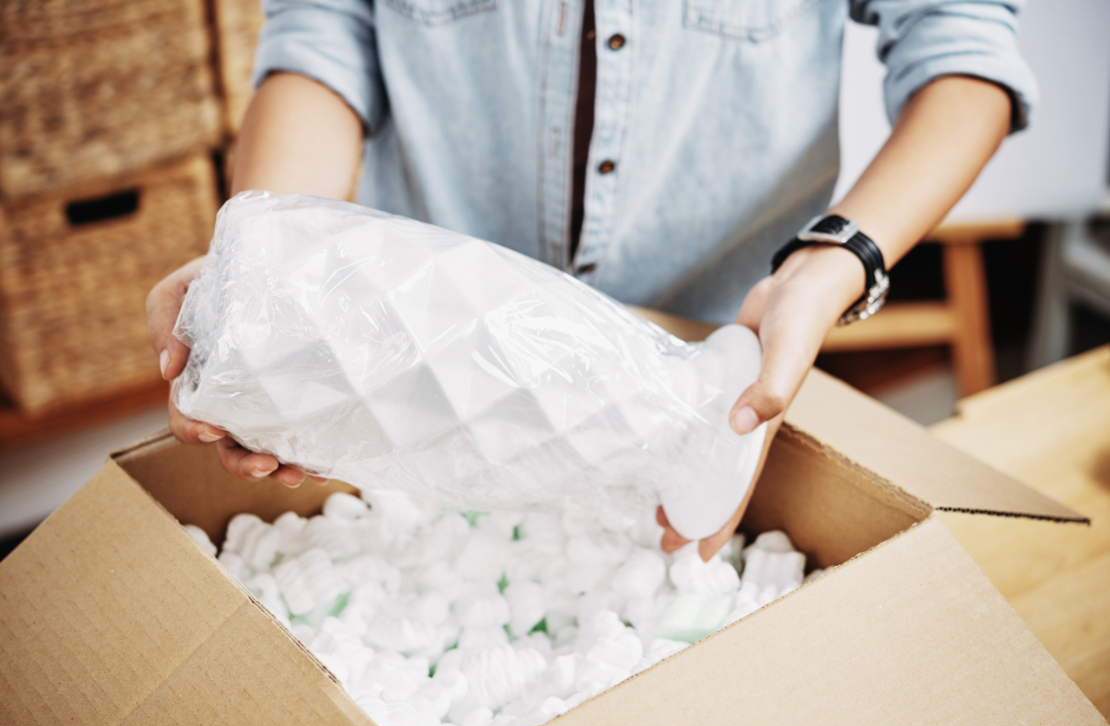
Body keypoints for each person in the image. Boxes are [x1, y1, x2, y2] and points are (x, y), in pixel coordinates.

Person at [147, 0, 1035, 560]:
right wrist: (277, 281)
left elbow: (966, 49)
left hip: (714, 379)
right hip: (414, 388)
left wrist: (832, 260)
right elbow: (322, 38)